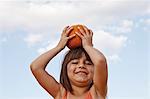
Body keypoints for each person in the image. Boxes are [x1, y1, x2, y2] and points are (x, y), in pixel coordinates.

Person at [30, 25, 108, 99]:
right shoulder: (61, 93)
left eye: (88, 63)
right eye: (75, 62)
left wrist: (88, 46)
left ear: (96, 72)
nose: (81, 65)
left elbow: (100, 61)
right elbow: (36, 67)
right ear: (65, 69)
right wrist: (59, 47)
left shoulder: (97, 92)